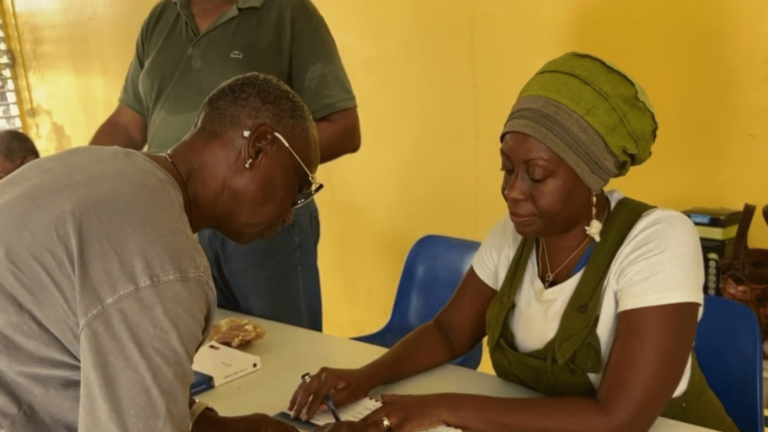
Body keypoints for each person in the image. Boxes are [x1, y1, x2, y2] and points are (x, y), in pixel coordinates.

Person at [289, 53, 739, 432]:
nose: (512, 190)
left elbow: (617, 419)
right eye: (507, 168)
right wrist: (365, 378)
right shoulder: (519, 233)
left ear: (591, 178)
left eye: (536, 175)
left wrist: (441, 407)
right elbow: (450, 332)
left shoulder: (657, 240)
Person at [0, 72, 322, 432]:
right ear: (258, 147)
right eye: (297, 188)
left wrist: (225, 428)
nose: (291, 214)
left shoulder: (103, 168)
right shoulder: (165, 263)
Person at [89, 0, 361, 331]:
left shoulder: (289, 13)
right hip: (177, 220)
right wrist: (81, 177)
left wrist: (259, 166)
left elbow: (344, 128)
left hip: (261, 221)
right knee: (213, 353)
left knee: (282, 349)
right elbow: (128, 124)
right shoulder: (161, 18)